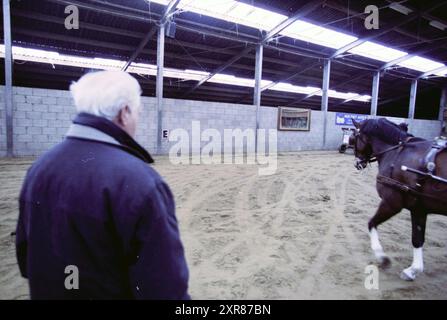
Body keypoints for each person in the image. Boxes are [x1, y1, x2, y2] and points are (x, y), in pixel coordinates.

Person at [15, 71, 190, 300]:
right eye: (138, 112)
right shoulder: (140, 182)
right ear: (124, 113)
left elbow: (26, 260)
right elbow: (164, 288)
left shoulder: (38, 169)